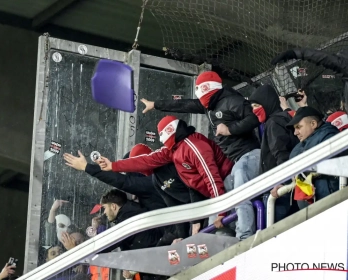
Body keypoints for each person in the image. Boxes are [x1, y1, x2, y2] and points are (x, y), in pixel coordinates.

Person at [139, 71, 261, 240]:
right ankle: (222, 243)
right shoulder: (208, 107)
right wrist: (156, 104)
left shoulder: (232, 100)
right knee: (220, 201)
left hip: (250, 155)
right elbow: (184, 105)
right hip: (235, 162)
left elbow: (254, 119)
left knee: (239, 189)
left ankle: (245, 236)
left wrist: (230, 129)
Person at [98, 116, 234, 236]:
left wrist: (220, 211)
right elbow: (144, 161)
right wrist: (113, 166)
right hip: (211, 198)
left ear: (170, 132)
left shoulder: (194, 147)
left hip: (226, 183)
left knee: (225, 227)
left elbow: (211, 179)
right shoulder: (171, 152)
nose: (161, 140)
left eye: (162, 134)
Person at [271, 107, 340, 209]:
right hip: (315, 208)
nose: (295, 132)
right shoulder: (298, 147)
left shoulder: (329, 136)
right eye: (295, 128)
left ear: (313, 124)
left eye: (298, 127)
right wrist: (285, 184)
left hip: (333, 202)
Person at [249, 84, 300, 222]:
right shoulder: (282, 119)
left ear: (266, 103)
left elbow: (281, 154)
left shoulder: (274, 123)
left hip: (278, 191)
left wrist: (282, 182)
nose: (253, 111)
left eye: (255, 106)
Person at [63, 150, 166, 211]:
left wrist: (86, 167)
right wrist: (109, 168)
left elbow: (122, 181)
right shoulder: (163, 176)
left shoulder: (150, 184)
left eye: (129, 170)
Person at [97, 189, 164, 280]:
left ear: (113, 206)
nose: (104, 212)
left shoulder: (127, 221)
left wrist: (78, 250)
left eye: (104, 208)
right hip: (156, 265)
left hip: (158, 267)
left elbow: (107, 245)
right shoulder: (131, 213)